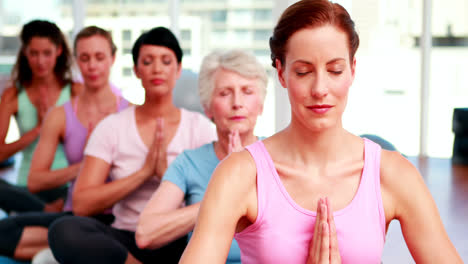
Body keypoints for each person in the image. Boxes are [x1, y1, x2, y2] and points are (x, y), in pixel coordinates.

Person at [179, 1, 463, 263]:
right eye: (303, 72)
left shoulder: (393, 174)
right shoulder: (239, 175)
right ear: (281, 73)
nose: (319, 89)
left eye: (335, 70)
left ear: (352, 69)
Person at [48, 27, 217, 264]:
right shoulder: (113, 127)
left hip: (180, 239)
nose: (157, 69)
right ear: (137, 70)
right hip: (125, 241)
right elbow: (82, 204)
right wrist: (143, 174)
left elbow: (215, 197)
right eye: (147, 61)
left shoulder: (199, 128)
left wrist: (168, 177)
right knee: (64, 230)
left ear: (178, 69)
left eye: (166, 61)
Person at [0, 25, 128, 261]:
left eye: (99, 57)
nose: (92, 66)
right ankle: (67, 246)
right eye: (85, 58)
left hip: (115, 215)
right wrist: (87, 164)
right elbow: (34, 180)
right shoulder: (60, 113)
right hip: (71, 209)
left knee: (68, 232)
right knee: (6, 230)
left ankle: (68, 246)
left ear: (112, 58)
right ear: (76, 60)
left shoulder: (128, 112)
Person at [136, 50, 267, 264]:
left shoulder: (280, 154)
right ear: (207, 108)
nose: (237, 103)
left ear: (261, 105)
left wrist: (243, 177)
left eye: (247, 91)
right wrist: (223, 194)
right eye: (225, 93)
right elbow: (145, 232)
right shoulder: (189, 163)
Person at [0, 20, 82, 213]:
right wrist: (38, 130)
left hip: (65, 184)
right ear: (25, 53)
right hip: (26, 188)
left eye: (47, 53)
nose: (40, 61)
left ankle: (45, 213)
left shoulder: (75, 92)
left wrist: (54, 127)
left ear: (59, 51)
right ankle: (47, 210)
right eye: (34, 53)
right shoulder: (13, 95)